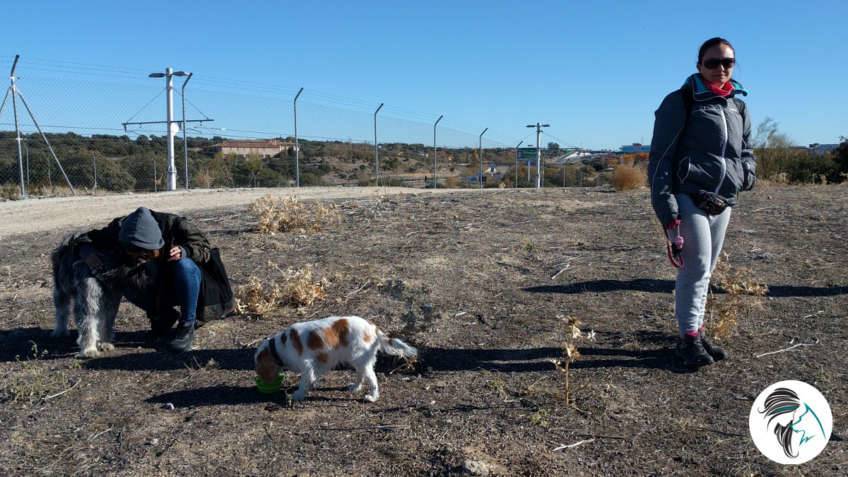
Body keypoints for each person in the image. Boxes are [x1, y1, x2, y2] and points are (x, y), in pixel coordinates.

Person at [648, 37, 756, 368]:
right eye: (713, 62)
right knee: (694, 269)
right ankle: (689, 340)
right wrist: (669, 213)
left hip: (724, 198)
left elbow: (746, 148)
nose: (721, 68)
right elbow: (660, 160)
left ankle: (697, 330)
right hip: (688, 195)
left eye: (728, 62)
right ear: (699, 65)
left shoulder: (737, 105)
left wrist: (746, 175)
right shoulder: (680, 102)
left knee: (706, 270)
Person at [70, 207, 233, 352]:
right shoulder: (120, 228)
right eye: (136, 254)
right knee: (120, 275)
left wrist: (186, 250)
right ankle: (162, 315)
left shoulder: (175, 224)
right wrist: (87, 252)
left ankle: (186, 326)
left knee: (185, 265)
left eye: (147, 254)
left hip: (185, 284)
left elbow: (204, 248)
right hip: (154, 284)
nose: (142, 257)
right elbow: (86, 238)